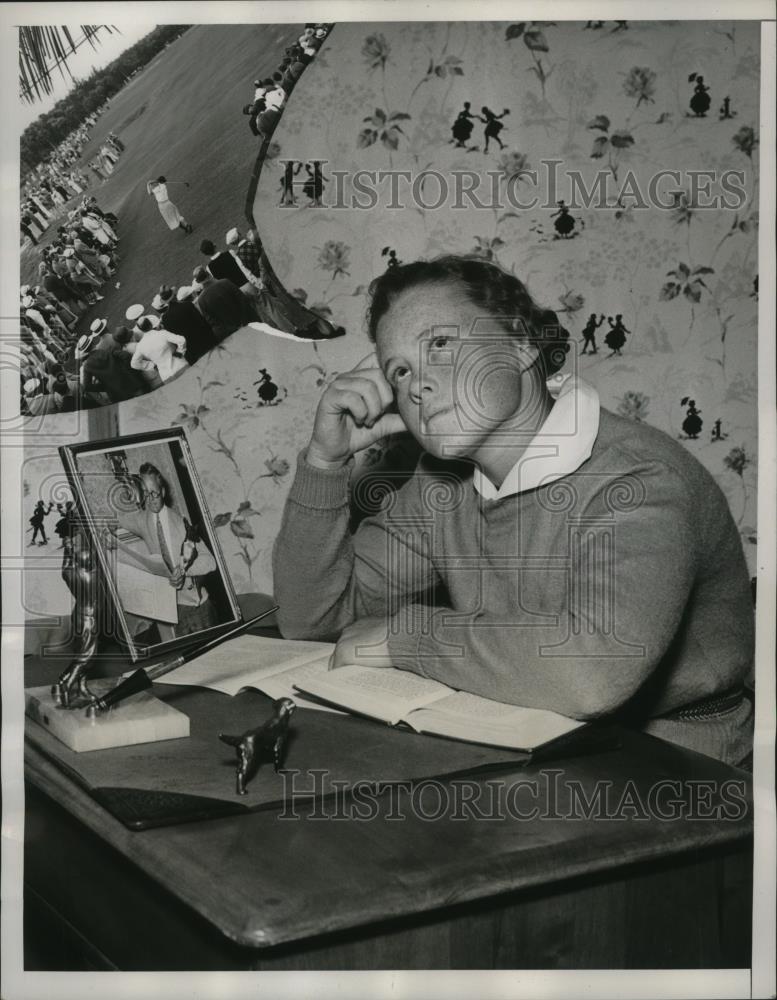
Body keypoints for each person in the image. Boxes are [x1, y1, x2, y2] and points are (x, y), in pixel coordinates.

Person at [272, 254, 754, 768]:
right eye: (400, 370)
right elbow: (310, 618)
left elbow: (592, 671)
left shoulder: (637, 477)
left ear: (522, 344)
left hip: (677, 762)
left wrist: (405, 636)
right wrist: (326, 461)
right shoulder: (440, 485)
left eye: (441, 344)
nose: (417, 385)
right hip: (527, 737)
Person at [110, 463, 219, 637]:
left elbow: (210, 561)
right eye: (146, 494)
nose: (151, 499)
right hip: (169, 608)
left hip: (196, 607)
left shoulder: (181, 524)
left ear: (163, 492)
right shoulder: (142, 519)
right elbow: (118, 520)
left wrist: (183, 570)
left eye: (154, 493)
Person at [79, 320, 148, 404]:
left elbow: (86, 386)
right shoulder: (104, 351)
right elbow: (125, 356)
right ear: (92, 342)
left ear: (85, 351)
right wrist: (127, 370)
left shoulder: (87, 366)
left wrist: (104, 387)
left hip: (117, 395)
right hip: (130, 383)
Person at [131, 319, 188, 384]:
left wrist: (151, 366)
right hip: (180, 365)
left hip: (166, 376)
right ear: (151, 324)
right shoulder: (162, 333)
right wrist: (179, 352)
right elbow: (181, 340)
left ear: (141, 330)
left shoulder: (140, 346)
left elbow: (134, 363)